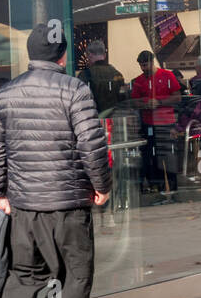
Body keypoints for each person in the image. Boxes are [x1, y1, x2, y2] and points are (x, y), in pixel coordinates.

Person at [0, 23, 111, 298]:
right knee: (70, 279)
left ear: (31, 54)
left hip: (25, 209)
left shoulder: (6, 94)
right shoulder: (75, 90)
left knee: (24, 277)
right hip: (68, 209)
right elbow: (92, 144)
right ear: (63, 55)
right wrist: (102, 186)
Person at [131, 50, 182, 200]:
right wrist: (146, 104)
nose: (143, 68)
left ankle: (173, 190)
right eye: (141, 66)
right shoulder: (139, 81)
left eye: (145, 65)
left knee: (169, 157)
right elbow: (134, 102)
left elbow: (177, 97)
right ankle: (160, 190)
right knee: (153, 157)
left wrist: (159, 102)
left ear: (152, 62)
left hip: (166, 122)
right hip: (149, 124)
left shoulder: (167, 76)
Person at [78, 39, 127, 116]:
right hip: (115, 119)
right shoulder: (117, 74)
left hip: (94, 119)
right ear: (104, 55)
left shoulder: (84, 75)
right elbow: (123, 99)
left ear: (89, 55)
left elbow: (81, 102)